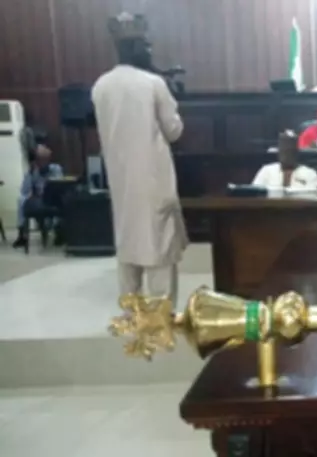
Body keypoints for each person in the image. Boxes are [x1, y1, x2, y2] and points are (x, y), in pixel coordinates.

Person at [91, 12, 187, 308]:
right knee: (158, 247)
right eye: (147, 46)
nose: (150, 51)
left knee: (129, 245)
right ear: (138, 48)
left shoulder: (100, 85)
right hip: (153, 180)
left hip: (120, 180)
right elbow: (174, 131)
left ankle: (130, 316)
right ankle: (160, 319)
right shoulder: (153, 83)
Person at [13, 145, 64, 248]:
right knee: (21, 200)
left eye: (45, 159)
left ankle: (59, 232)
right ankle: (22, 234)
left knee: (63, 201)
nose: (42, 162)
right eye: (40, 160)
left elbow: (59, 185)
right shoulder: (32, 172)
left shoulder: (56, 169)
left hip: (53, 199)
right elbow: (24, 191)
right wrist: (31, 175)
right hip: (37, 200)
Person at [252, 131, 317, 189]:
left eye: (290, 151)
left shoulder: (310, 173)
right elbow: (255, 194)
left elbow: (312, 196)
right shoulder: (266, 171)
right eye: (284, 151)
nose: (286, 155)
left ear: (297, 153)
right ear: (279, 152)